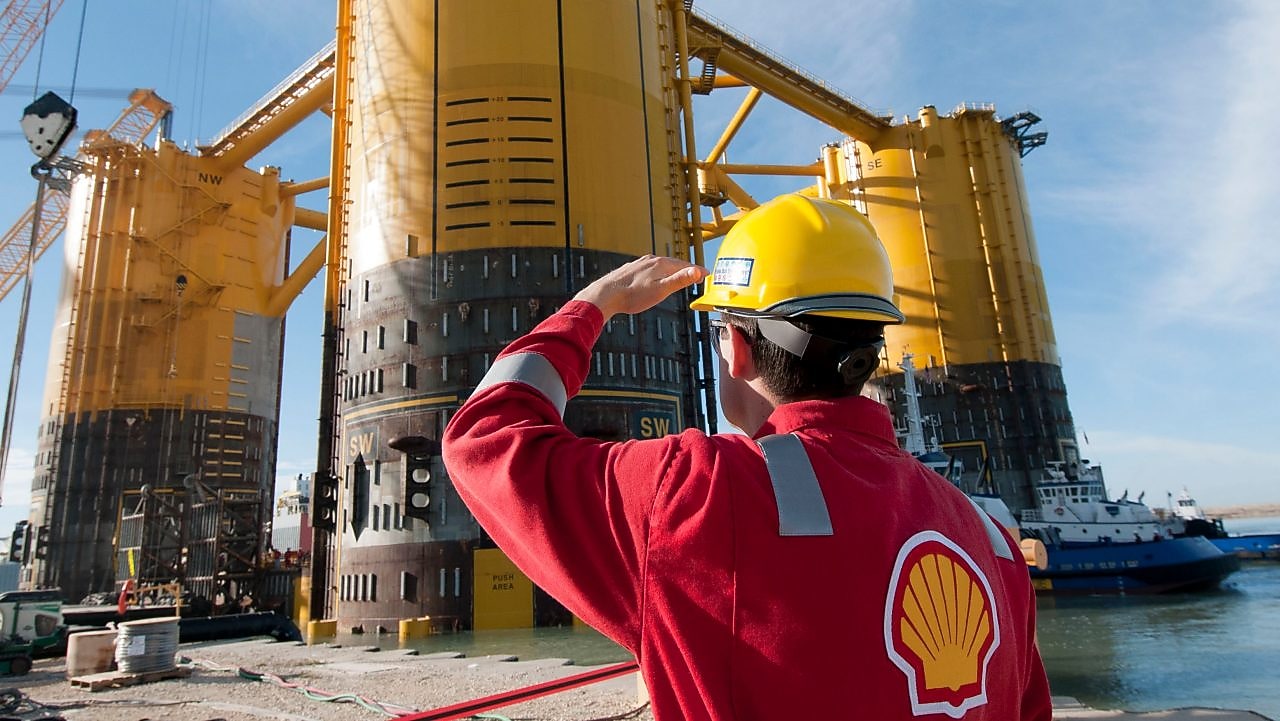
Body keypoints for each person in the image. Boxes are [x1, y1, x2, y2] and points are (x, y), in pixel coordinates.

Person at [442, 194, 1051, 720]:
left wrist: (591, 307)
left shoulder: (699, 494)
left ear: (734, 346)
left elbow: (486, 439)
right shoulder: (992, 539)